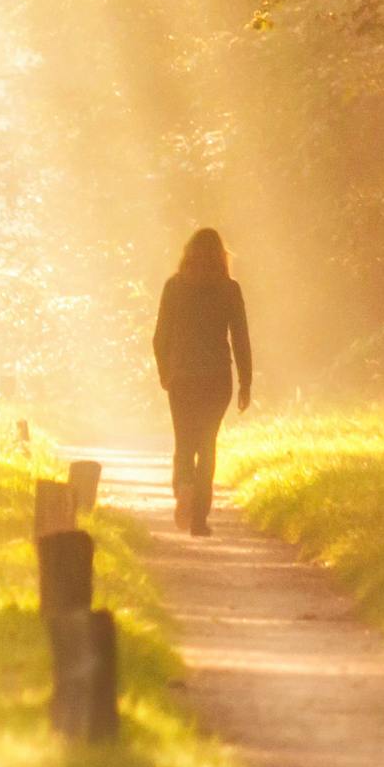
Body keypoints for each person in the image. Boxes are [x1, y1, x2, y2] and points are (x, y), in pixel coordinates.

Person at [153, 227, 253, 536]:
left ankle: (184, 485)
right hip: (217, 378)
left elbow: (160, 337)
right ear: (221, 255)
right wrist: (246, 382)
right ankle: (199, 519)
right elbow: (240, 338)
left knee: (184, 440)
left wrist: (165, 371)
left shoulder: (174, 287)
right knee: (207, 444)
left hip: (182, 376)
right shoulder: (229, 289)